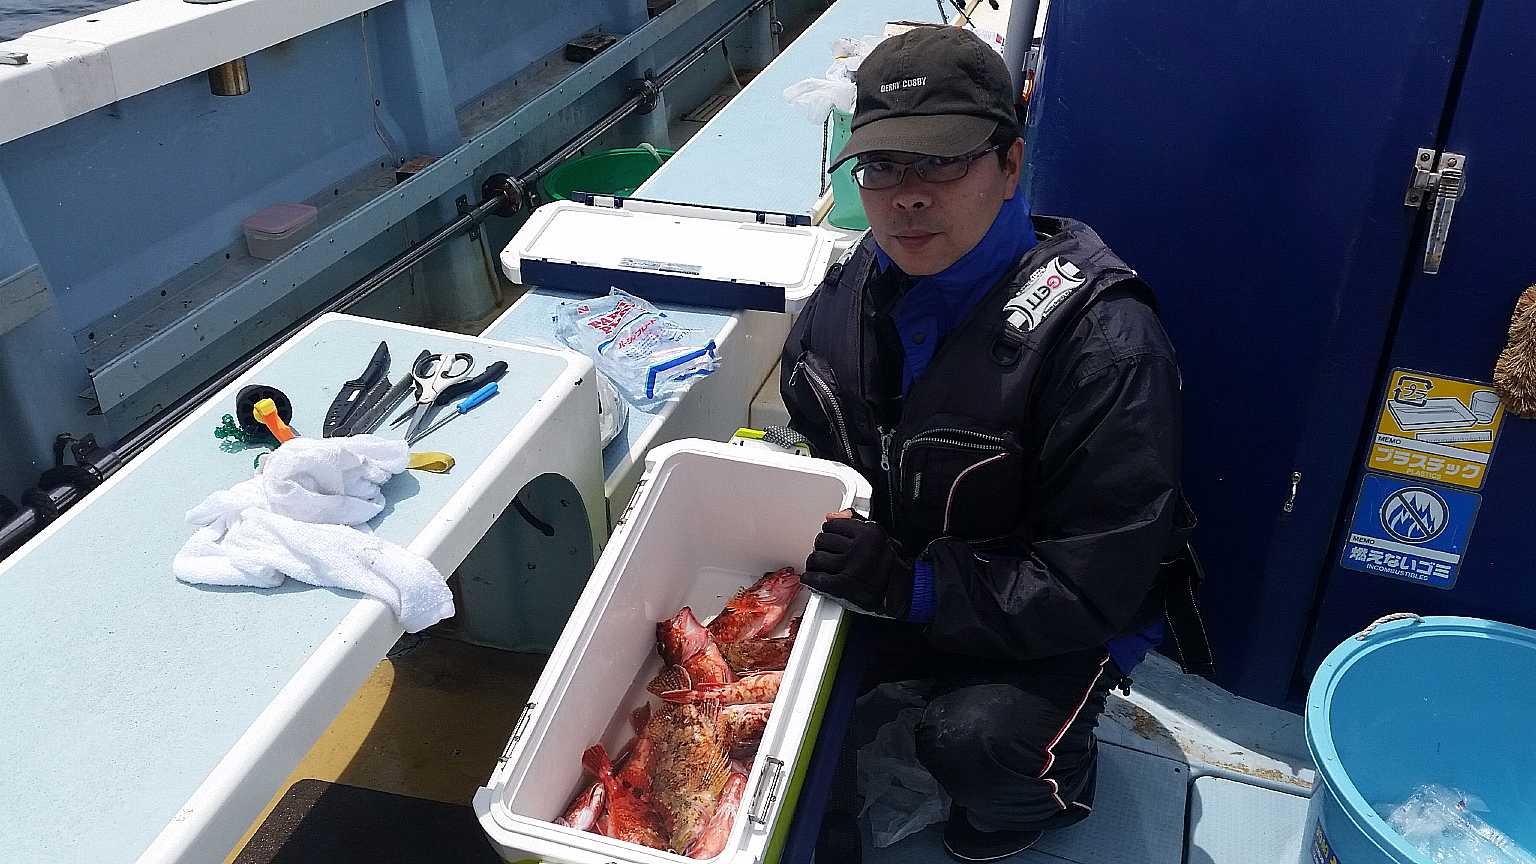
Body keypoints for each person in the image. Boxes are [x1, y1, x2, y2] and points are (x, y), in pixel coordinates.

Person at [779, 25, 1205, 863]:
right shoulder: (856, 281)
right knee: (757, 680)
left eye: (941, 163)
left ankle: (1047, 787)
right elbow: (809, 423)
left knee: (978, 740)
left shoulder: (1107, 345)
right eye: (882, 166)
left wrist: (913, 588)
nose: (906, 197)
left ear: (1010, 165)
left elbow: (1095, 584)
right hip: (898, 561)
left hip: (1051, 613)